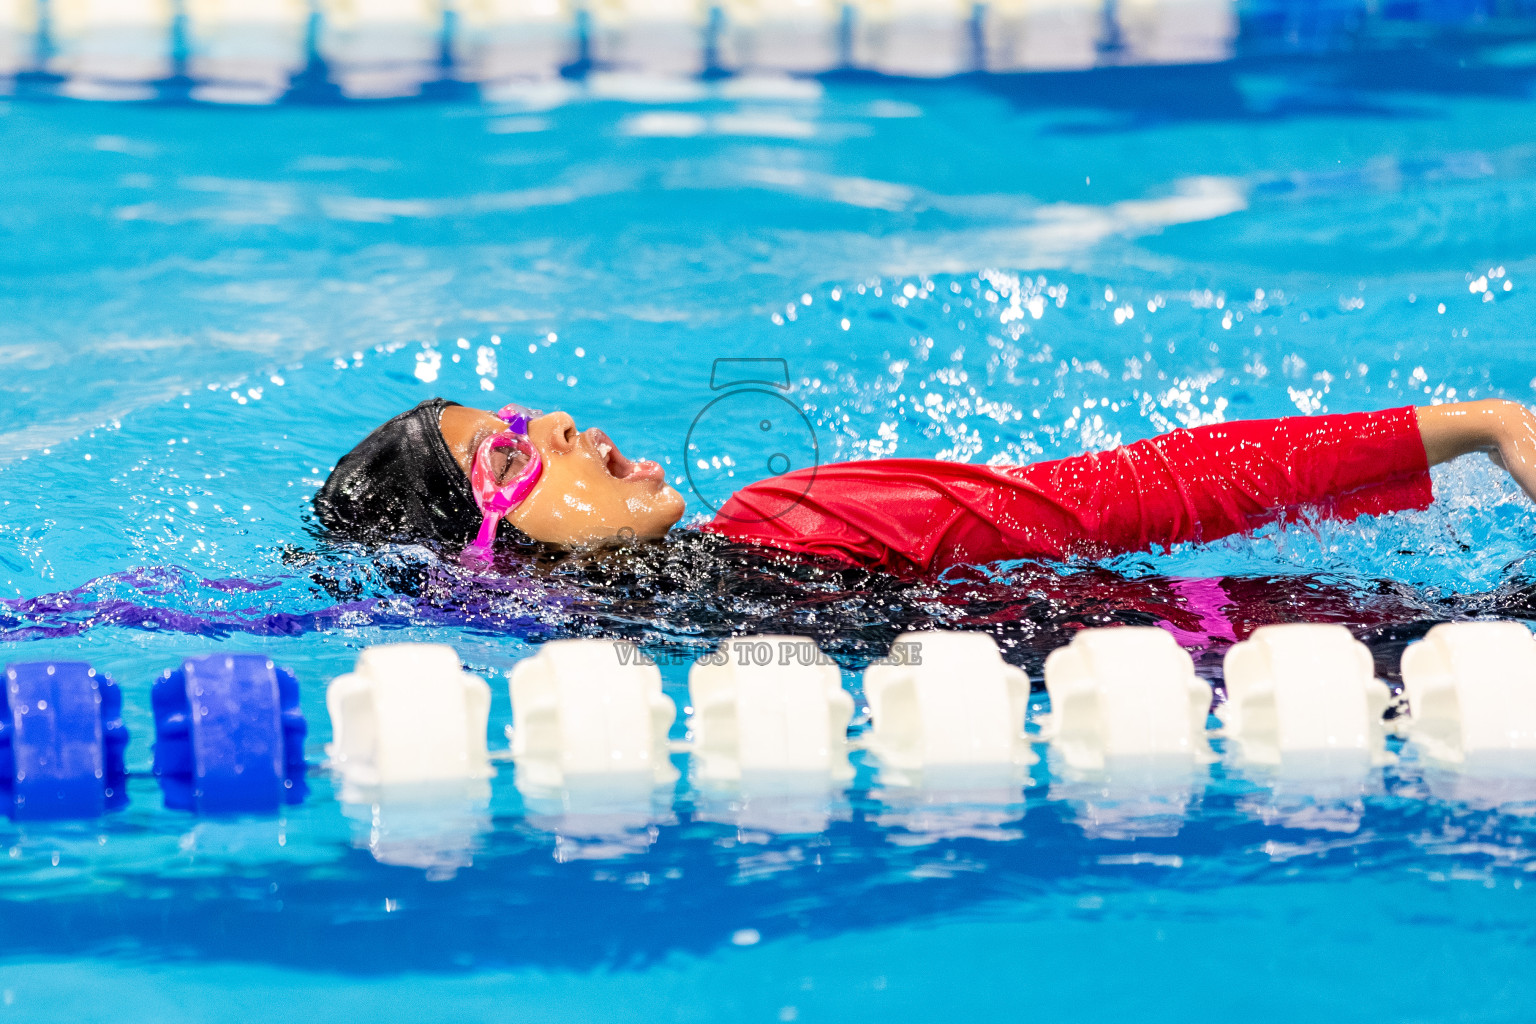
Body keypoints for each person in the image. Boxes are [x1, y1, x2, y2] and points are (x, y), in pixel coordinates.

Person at [313, 397, 1536, 576]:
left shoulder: (791, 522)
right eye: (513, 454)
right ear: (491, 555)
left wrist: (1467, 429)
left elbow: (1112, 496)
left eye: (529, 416)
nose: (560, 426)